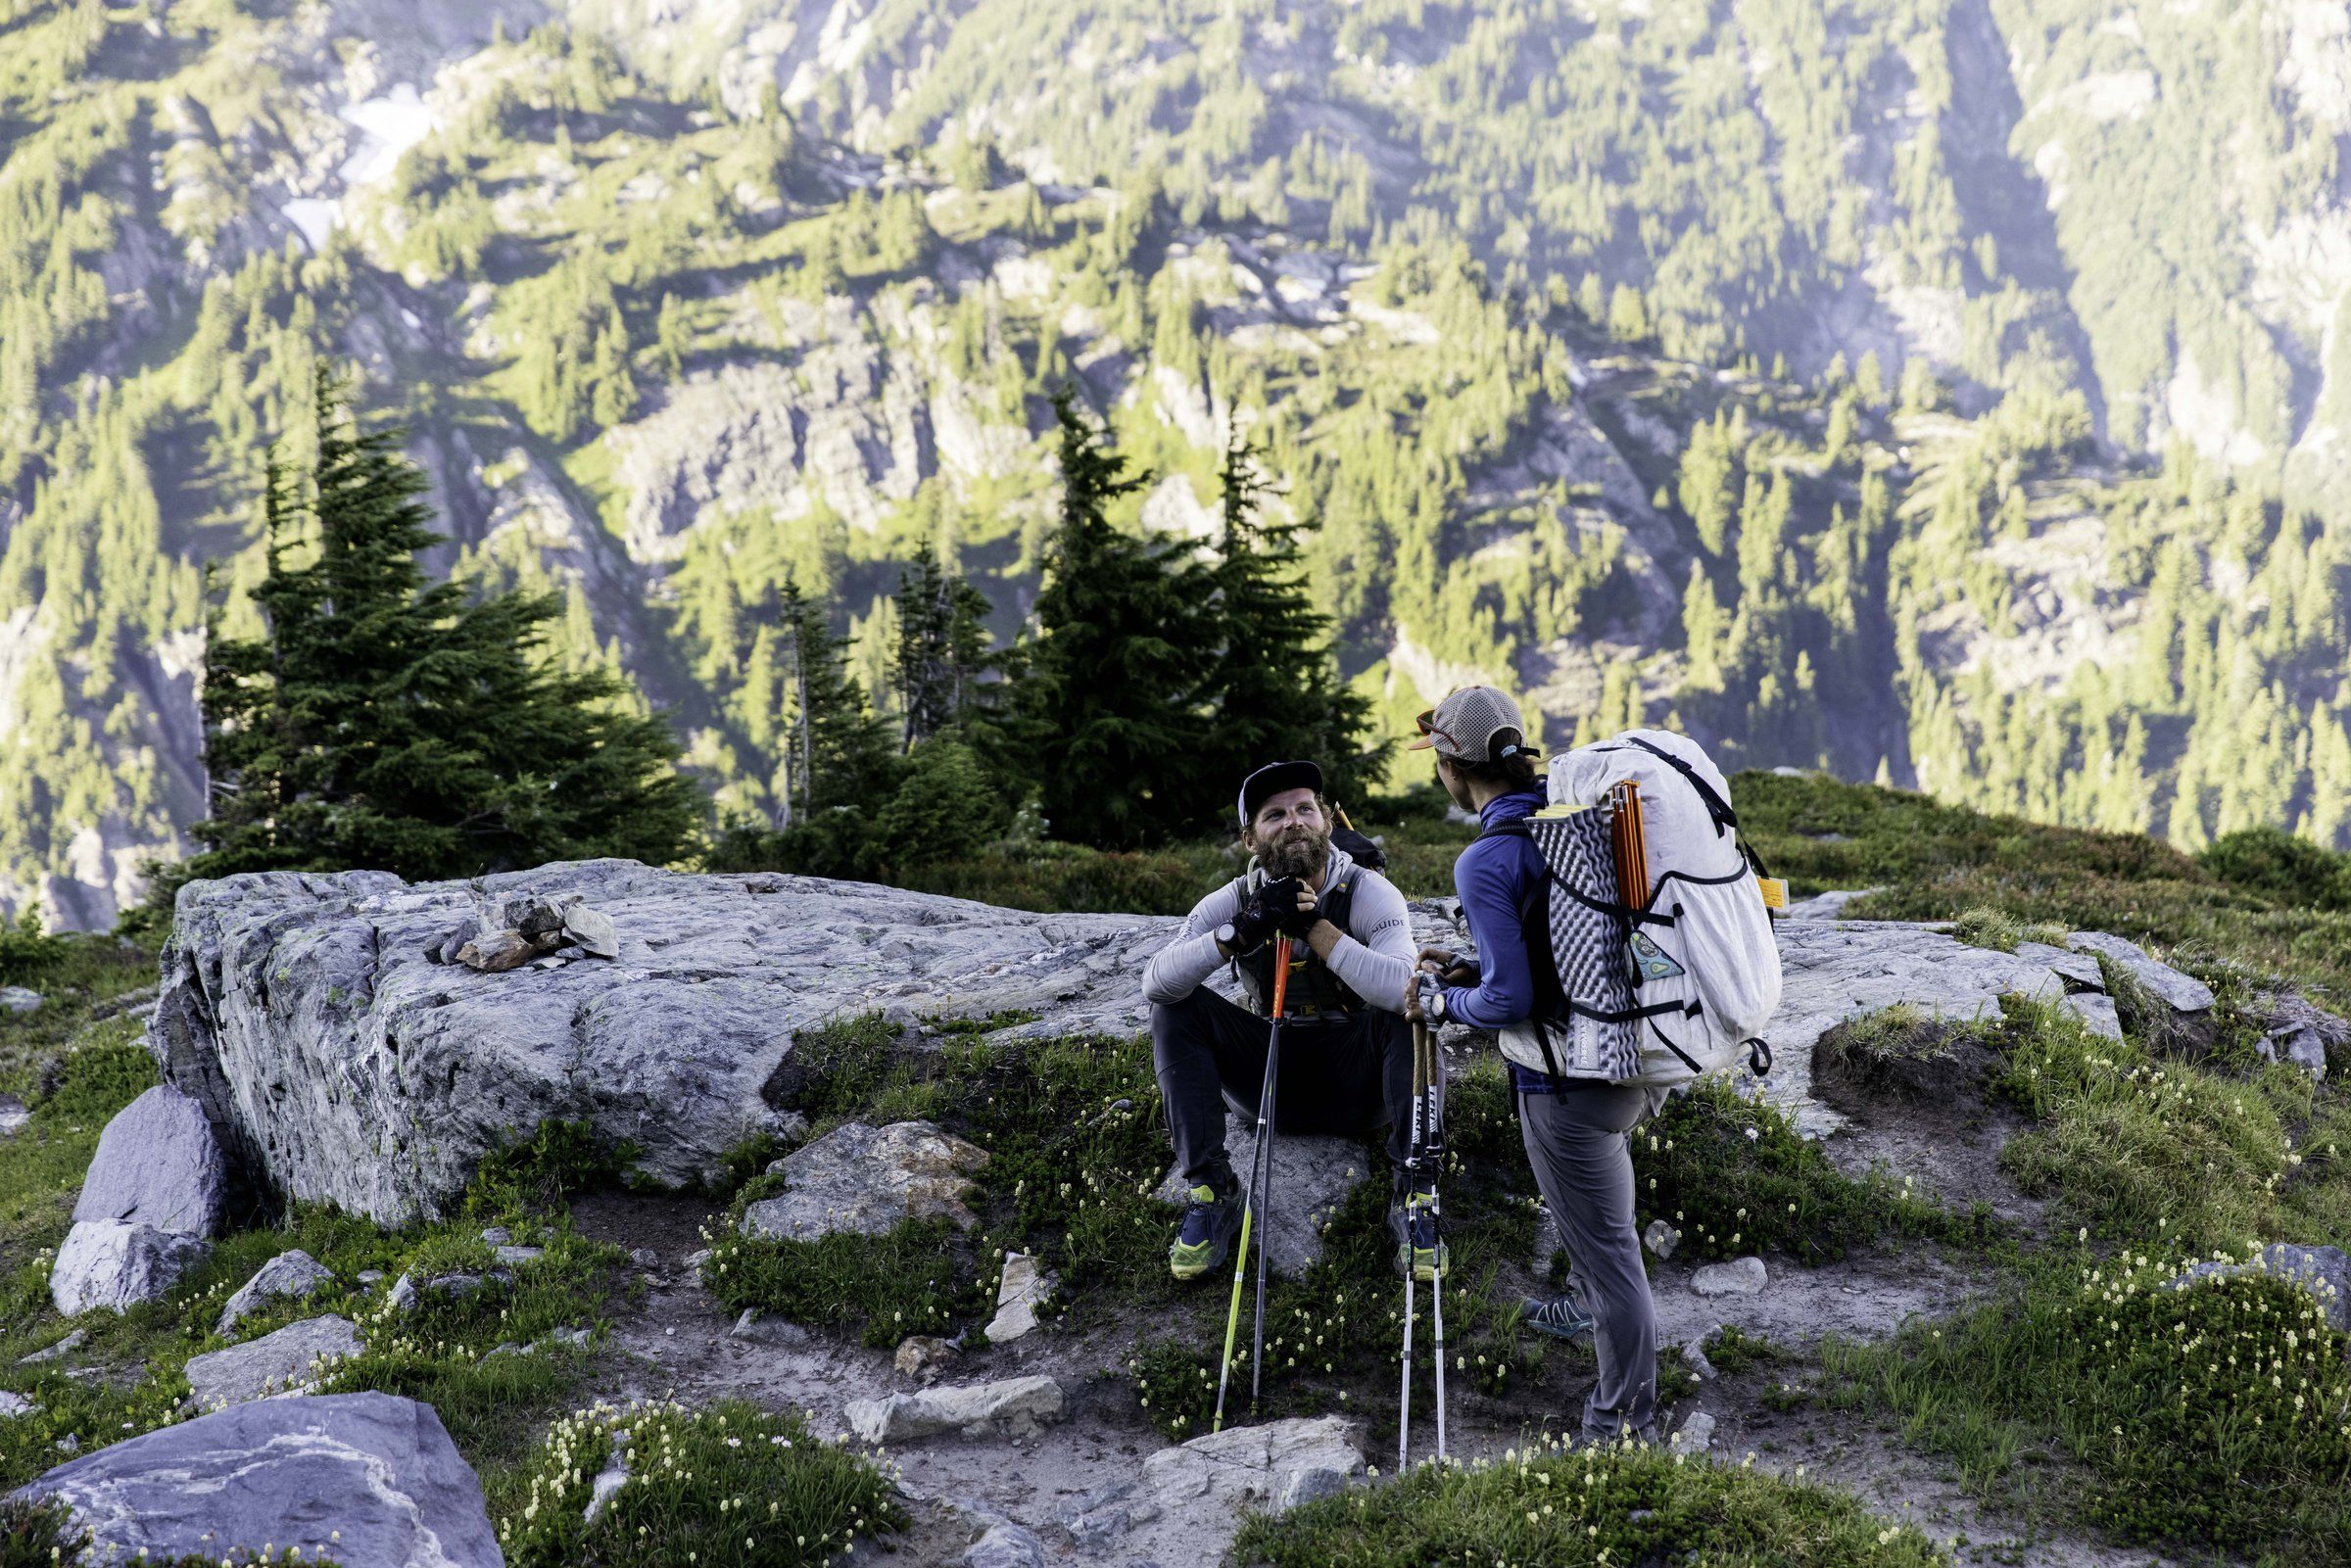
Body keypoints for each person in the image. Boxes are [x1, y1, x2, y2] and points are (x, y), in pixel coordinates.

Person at [1405, 685, 1661, 1446]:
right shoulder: (1567, 819)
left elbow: (1513, 999)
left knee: (1612, 1255)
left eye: (1438, 761)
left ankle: (1621, 1425)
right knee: (1605, 1232)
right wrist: (1469, 964)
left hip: (1561, 1086)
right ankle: (1583, 1304)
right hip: (1626, 1054)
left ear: (1455, 765)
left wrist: (1444, 1005)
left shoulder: (1486, 858)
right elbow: (1554, 946)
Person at [1142, 759, 1442, 1283]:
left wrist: (1318, 930)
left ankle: (1417, 1189)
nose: (1294, 821)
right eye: (1274, 815)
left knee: (1416, 1008)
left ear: (1327, 822)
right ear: (1249, 840)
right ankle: (1213, 1192)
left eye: (1306, 808)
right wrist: (1242, 929)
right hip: (1270, 1081)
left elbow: (1400, 986)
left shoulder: (1368, 891)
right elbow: (1156, 981)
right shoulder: (1236, 899)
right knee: (1176, 1007)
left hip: (1359, 1082)